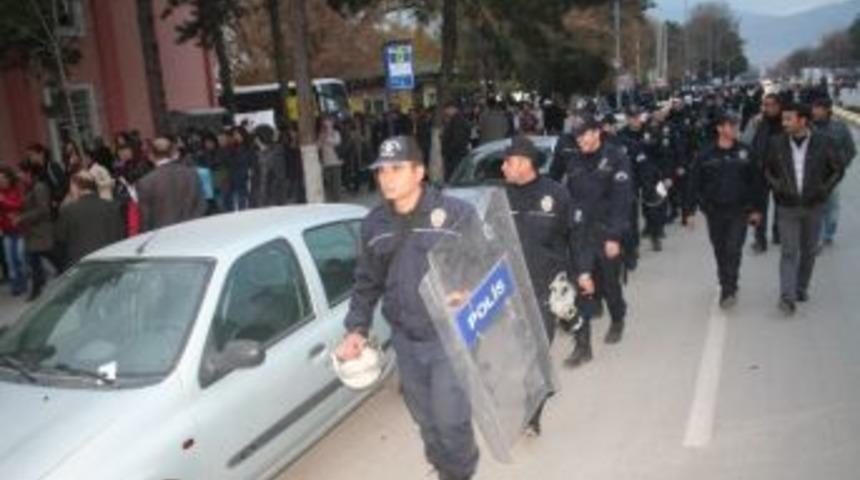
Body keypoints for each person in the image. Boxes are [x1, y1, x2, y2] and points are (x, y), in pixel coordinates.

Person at [335, 136, 480, 480]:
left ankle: (460, 471)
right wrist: (356, 329)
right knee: (426, 420)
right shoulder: (374, 224)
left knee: (450, 420)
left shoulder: (457, 214)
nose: (387, 177)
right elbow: (366, 281)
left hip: (450, 337)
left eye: (396, 168)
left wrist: (470, 289)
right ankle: (444, 468)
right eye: (381, 170)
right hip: (406, 341)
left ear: (419, 172)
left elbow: (487, 260)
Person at [501, 135, 594, 433]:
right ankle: (542, 383)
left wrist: (583, 272)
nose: (504, 167)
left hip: (546, 286)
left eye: (509, 161)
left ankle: (533, 414)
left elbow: (577, 237)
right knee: (519, 349)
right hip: (511, 288)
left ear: (527, 164)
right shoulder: (500, 198)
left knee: (537, 349)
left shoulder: (556, 195)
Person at [550, 115, 633, 366]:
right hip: (581, 234)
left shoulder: (616, 158)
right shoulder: (573, 161)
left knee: (609, 285)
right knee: (580, 286)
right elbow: (566, 196)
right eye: (577, 136)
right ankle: (583, 346)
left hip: (607, 231)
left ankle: (618, 317)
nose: (580, 140)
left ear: (597, 133)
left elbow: (622, 200)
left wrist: (614, 237)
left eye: (584, 135)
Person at [763, 103, 846, 315]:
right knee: (789, 251)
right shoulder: (776, 143)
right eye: (783, 119)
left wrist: (823, 190)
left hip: (813, 206)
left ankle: (800, 288)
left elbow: (838, 169)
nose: (784, 123)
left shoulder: (824, 142)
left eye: (789, 119)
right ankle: (787, 297)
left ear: (802, 120)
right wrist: (778, 187)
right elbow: (766, 169)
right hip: (787, 206)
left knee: (808, 251)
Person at [684, 113, 764, 308]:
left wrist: (756, 209)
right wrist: (689, 211)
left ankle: (729, 288)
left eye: (736, 125)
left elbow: (757, 183)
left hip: (739, 210)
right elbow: (693, 183)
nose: (735, 129)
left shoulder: (746, 152)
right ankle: (725, 280)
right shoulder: (705, 155)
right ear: (720, 128)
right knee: (720, 249)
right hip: (714, 211)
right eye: (730, 125)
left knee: (733, 248)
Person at [811, 97, 856, 248]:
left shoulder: (840, 128)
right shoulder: (808, 127)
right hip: (813, 174)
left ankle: (828, 233)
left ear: (827, 110)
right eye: (814, 108)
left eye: (818, 108)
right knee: (816, 207)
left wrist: (841, 167)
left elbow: (851, 150)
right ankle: (816, 239)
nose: (814, 111)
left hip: (833, 176)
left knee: (831, 207)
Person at [54, 171, 124, 269]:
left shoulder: (69, 211)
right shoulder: (112, 207)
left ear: (75, 187)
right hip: (109, 267)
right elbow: (120, 238)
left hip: (81, 271)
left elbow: (59, 242)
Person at [136, 137, 207, 232]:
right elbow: (202, 205)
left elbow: (145, 220)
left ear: (151, 156)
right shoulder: (192, 174)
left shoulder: (145, 182)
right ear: (174, 153)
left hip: (164, 236)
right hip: (192, 231)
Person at [746, 93, 784, 252]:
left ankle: (778, 234)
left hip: (781, 172)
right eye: (765, 105)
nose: (767, 108)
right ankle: (760, 240)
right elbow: (747, 141)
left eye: (771, 105)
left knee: (781, 205)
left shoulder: (786, 122)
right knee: (760, 207)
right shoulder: (758, 122)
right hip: (760, 171)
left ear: (779, 106)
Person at [17, 162, 55, 301]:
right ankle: (36, 288)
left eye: (21, 172)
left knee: (53, 258)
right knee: (34, 262)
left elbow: (43, 210)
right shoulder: (29, 188)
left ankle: (38, 288)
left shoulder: (39, 187)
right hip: (33, 233)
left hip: (41, 232)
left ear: (29, 173)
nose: (19, 175)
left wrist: (22, 218)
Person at [0, 166, 26, 296]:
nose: (1, 181)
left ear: (9, 179)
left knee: (19, 257)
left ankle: (23, 281)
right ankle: (16, 284)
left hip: (19, 230)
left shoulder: (16, 190)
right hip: (7, 231)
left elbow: (20, 205)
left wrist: (4, 201)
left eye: (3, 178)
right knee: (10, 260)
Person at [441, 102, 472, 180]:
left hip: (455, 157)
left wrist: (448, 150)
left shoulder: (457, 121)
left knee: (454, 178)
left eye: (446, 110)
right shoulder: (456, 120)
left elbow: (458, 140)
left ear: (452, 109)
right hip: (455, 155)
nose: (445, 112)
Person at [318, 116, 343, 202]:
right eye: (324, 124)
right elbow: (318, 146)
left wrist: (328, 136)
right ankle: (331, 198)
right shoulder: (321, 135)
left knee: (336, 183)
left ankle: (337, 199)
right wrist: (322, 137)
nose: (326, 126)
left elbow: (337, 142)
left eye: (328, 124)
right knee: (328, 183)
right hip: (326, 163)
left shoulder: (336, 133)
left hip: (336, 162)